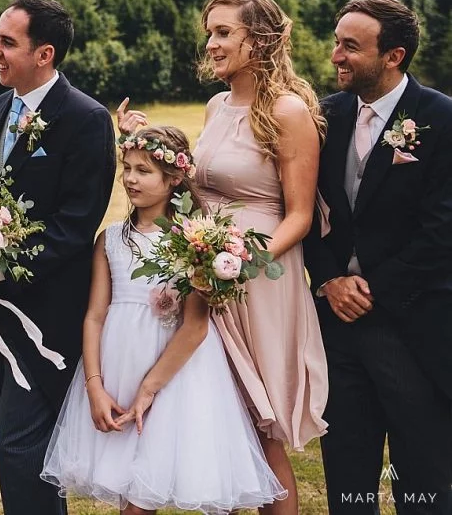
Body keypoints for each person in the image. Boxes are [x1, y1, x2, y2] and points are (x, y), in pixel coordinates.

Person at [119, 0, 328, 514]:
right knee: (224, 426)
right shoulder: (216, 106)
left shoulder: (288, 111)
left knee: (262, 432)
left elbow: (299, 215)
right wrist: (145, 143)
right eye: (209, 32)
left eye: (223, 33)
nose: (210, 44)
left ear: (258, 40)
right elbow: (195, 187)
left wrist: (238, 262)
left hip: (257, 278)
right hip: (206, 270)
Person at [41, 126, 286, 514]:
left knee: (204, 483)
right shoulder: (111, 239)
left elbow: (195, 326)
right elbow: (95, 315)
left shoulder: (194, 243)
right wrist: (95, 386)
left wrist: (149, 389)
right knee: (131, 493)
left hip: (180, 374)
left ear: (173, 180)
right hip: (121, 367)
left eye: (144, 171)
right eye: (127, 168)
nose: (131, 179)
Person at [302, 0, 452, 513]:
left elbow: (443, 229)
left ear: (394, 56)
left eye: (350, 47)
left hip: (415, 326)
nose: (335, 56)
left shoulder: (441, 118)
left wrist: (371, 290)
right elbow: (307, 210)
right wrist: (329, 281)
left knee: (424, 478)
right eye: (336, 43)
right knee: (347, 474)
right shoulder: (324, 115)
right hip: (337, 328)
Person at [0, 0, 116, 515]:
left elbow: (75, 225)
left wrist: (0, 264)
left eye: (7, 42)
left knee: (20, 445)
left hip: (46, 312)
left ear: (45, 54)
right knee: (15, 446)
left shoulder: (84, 118)